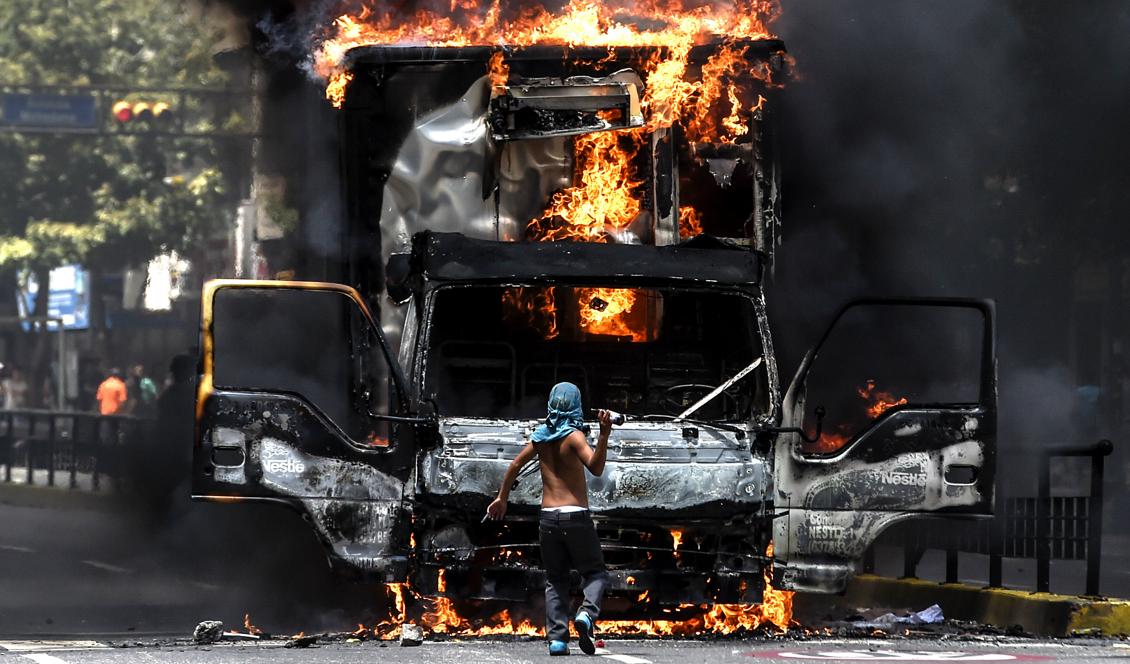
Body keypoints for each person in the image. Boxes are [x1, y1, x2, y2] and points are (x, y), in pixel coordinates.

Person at [486, 382, 613, 657]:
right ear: (576, 406)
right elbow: (597, 467)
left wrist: (502, 498)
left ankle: (557, 640)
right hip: (575, 516)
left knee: (556, 580)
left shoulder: (541, 437)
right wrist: (604, 435)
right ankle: (587, 615)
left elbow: (515, 464)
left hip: (548, 519)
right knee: (595, 573)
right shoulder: (575, 437)